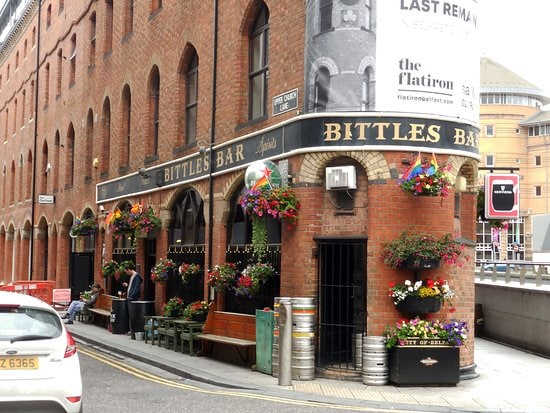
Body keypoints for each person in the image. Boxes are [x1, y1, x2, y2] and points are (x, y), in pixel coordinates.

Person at [124, 262, 142, 338]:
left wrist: (132, 296)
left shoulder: (136, 277)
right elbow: (132, 287)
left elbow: (137, 287)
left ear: (129, 269)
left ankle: (133, 333)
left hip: (132, 299)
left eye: (126, 271)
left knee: (132, 316)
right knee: (130, 315)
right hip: (129, 298)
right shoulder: (132, 276)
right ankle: (131, 331)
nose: (126, 273)